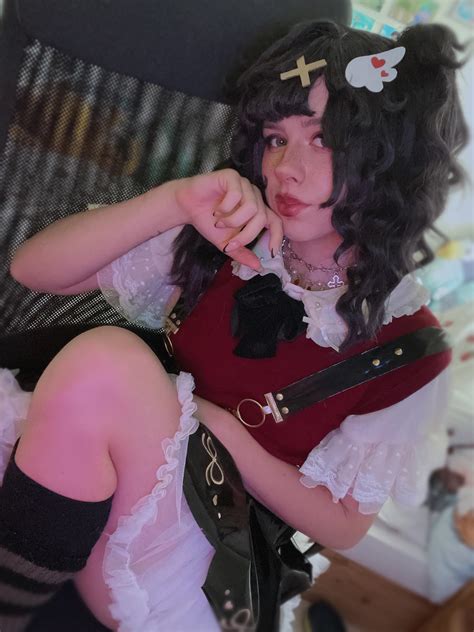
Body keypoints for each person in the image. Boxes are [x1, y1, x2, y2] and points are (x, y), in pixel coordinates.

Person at [0, 19, 468, 632]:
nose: (286, 168)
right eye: (275, 138)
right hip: (110, 477)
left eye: (324, 138)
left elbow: (344, 526)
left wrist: (214, 425)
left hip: (195, 562)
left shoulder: (410, 349)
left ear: (392, 160)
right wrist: (173, 201)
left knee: (105, 362)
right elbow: (33, 270)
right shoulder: (230, 233)